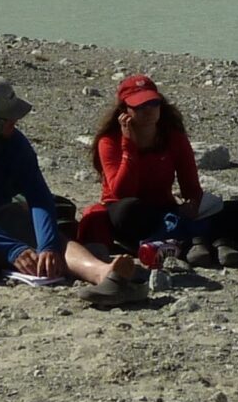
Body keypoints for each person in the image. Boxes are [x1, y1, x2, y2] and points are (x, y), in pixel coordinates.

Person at [0, 76, 147, 308]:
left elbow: (38, 195)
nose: (15, 122)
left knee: (53, 240)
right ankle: (26, 262)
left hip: (2, 212)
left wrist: (47, 245)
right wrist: (12, 250)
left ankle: (105, 274)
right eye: (8, 118)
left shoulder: (13, 142)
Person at [78, 74, 222, 269]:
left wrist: (193, 204)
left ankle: (171, 241)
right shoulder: (109, 142)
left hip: (164, 208)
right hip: (126, 214)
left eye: (153, 103)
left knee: (230, 208)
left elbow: (191, 187)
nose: (149, 111)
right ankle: (188, 239)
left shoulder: (173, 138)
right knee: (129, 209)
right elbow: (122, 192)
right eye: (140, 106)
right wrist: (129, 145)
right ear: (124, 111)